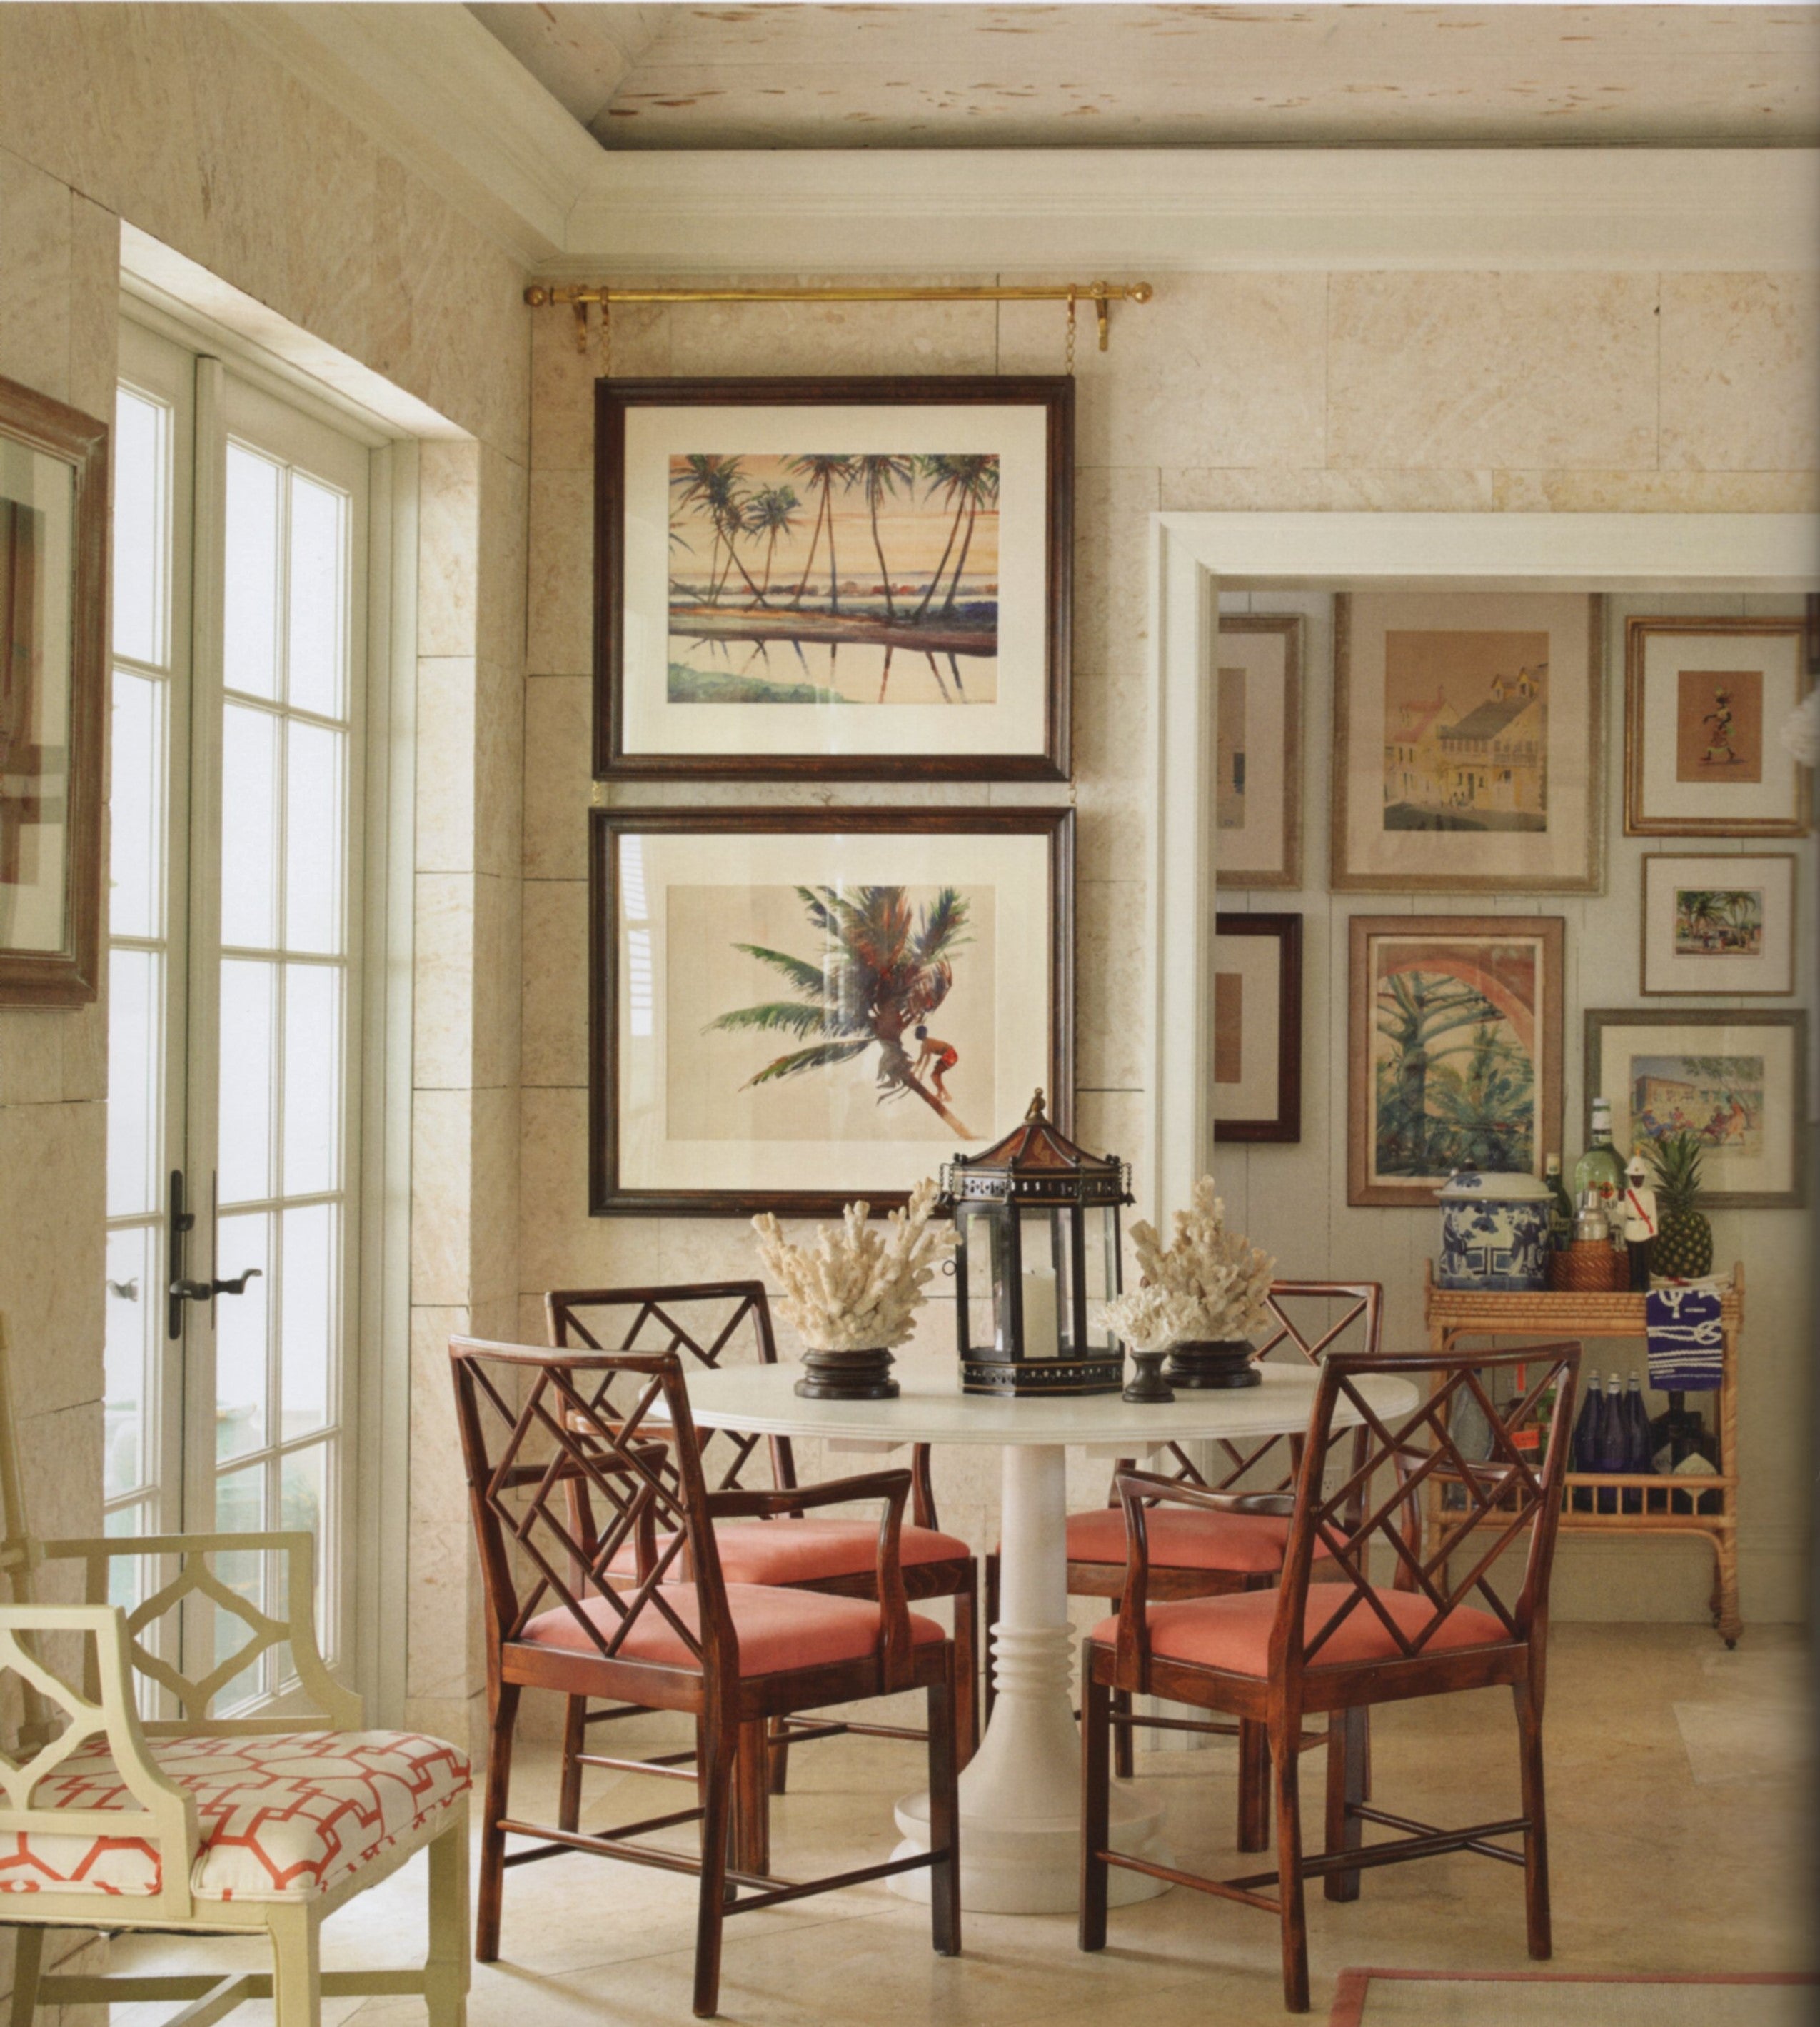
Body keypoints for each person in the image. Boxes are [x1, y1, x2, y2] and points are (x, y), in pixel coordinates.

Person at [912, 1024, 959, 1102]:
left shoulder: (926, 1043)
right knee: (936, 1075)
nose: (915, 1034)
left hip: (950, 1054)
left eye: (917, 1032)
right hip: (951, 1054)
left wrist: (918, 1072)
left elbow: (924, 1060)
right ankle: (944, 1095)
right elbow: (924, 1059)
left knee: (934, 1075)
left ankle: (944, 1095)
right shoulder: (926, 1043)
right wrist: (919, 1072)